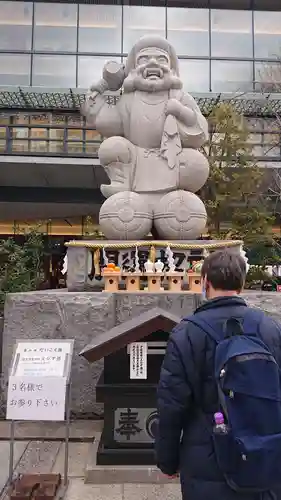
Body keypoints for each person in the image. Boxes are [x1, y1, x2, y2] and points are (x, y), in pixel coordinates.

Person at [156, 249, 281, 500]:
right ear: (242, 284)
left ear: (204, 282)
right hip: (262, 451)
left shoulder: (186, 333)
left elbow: (171, 406)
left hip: (206, 454)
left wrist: (168, 461)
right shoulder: (269, 327)